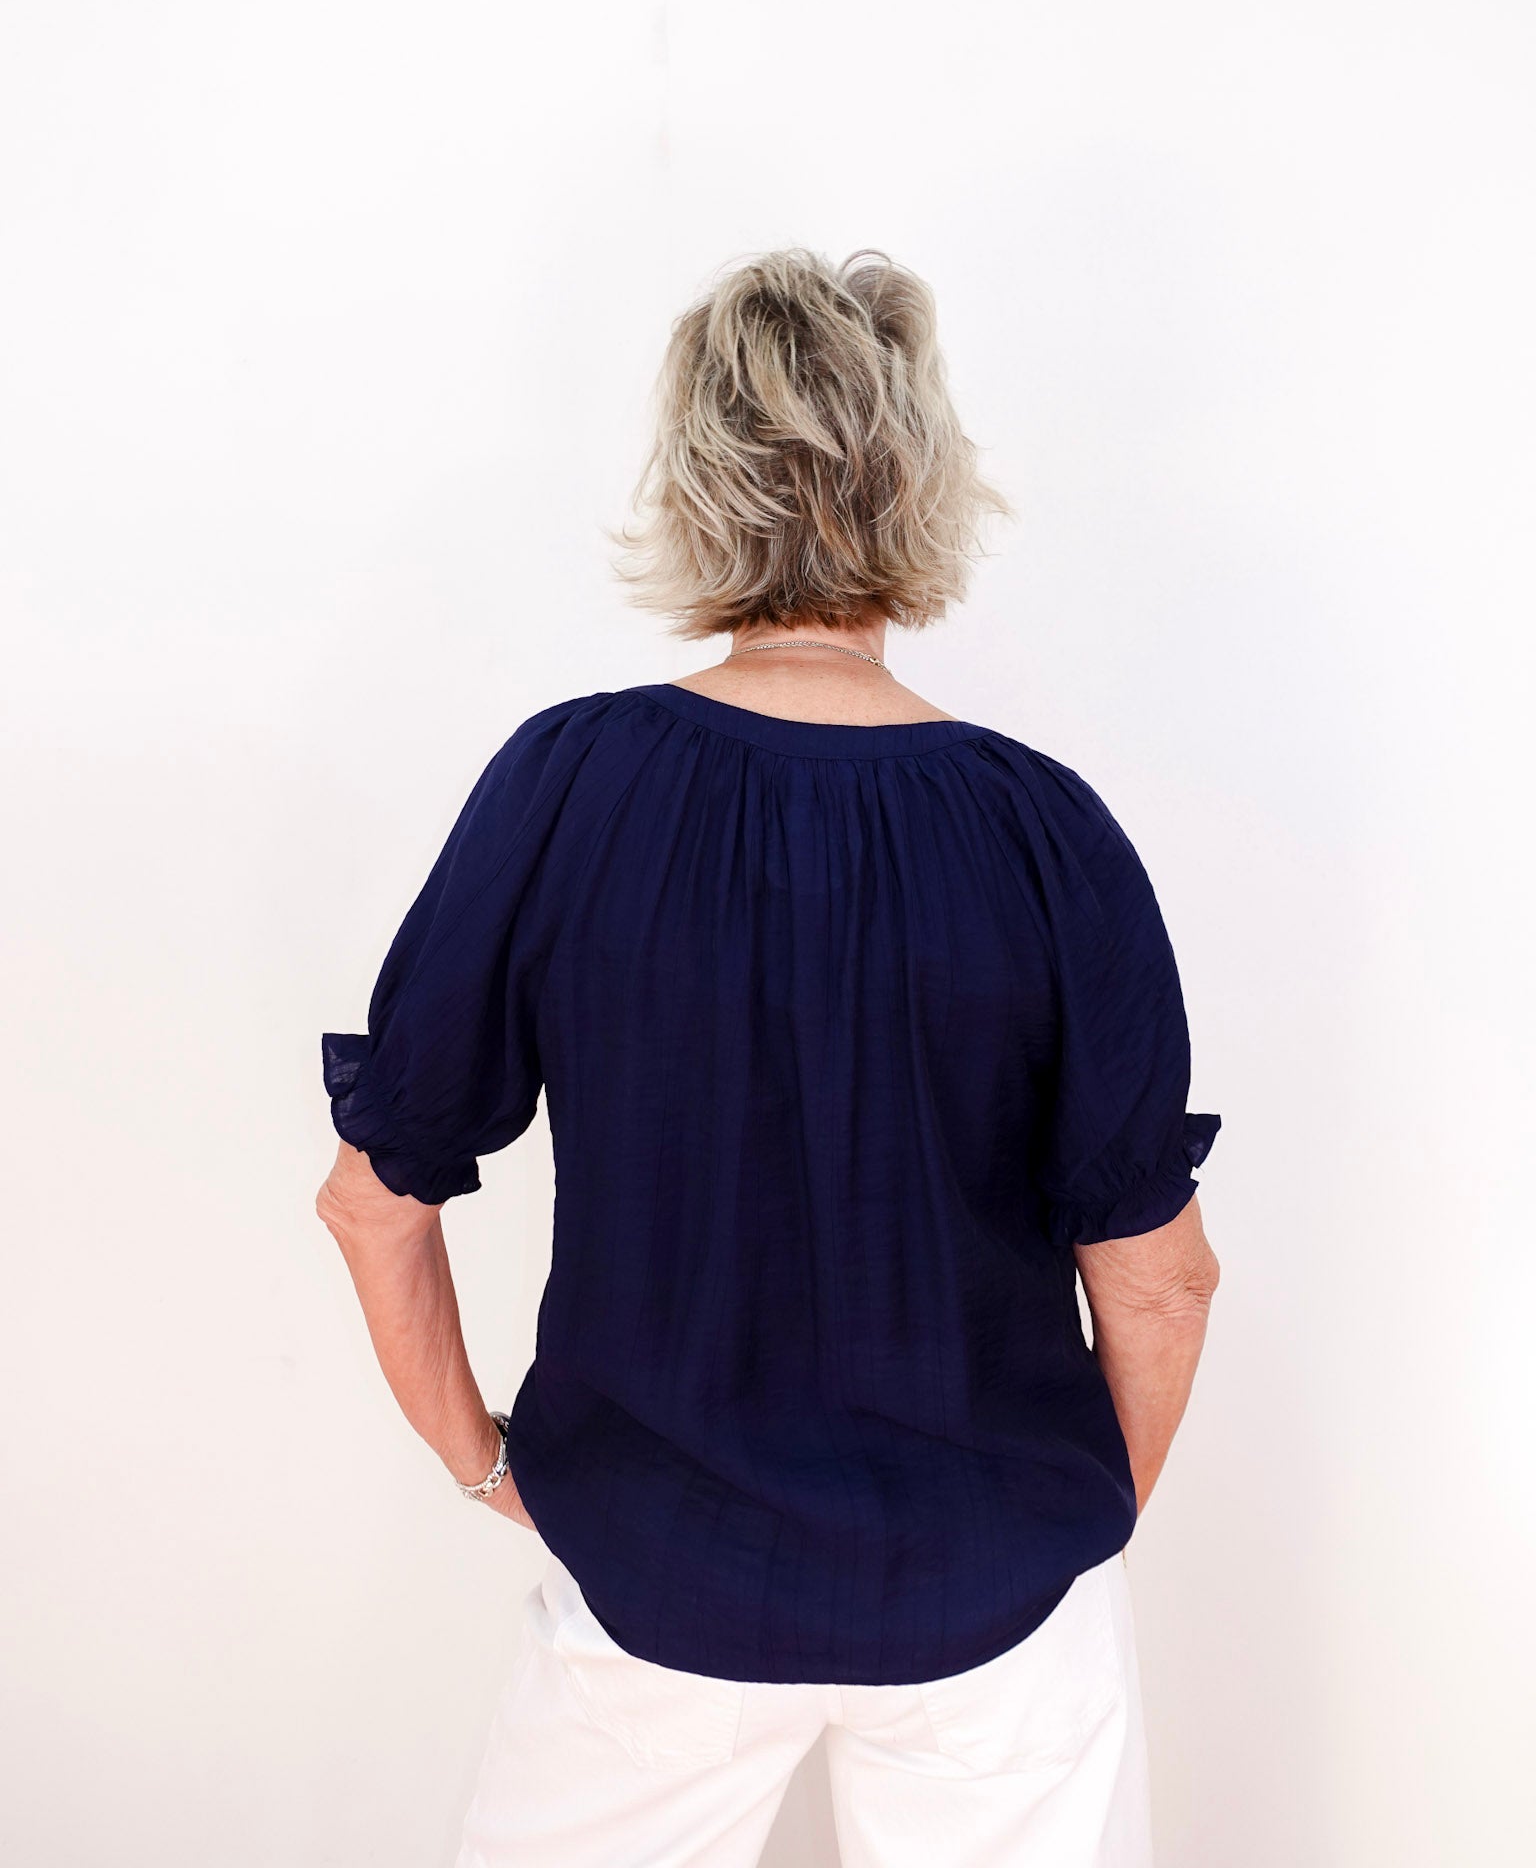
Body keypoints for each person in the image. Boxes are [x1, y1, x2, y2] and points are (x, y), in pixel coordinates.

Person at [316, 246, 1223, 1867]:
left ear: (697, 484)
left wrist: (485, 1471)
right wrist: (1070, 1536)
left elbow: (376, 1201)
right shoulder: (1046, 831)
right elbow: (1157, 1282)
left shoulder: (566, 787)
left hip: (653, 1571)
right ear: (922, 486)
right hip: (992, 1596)